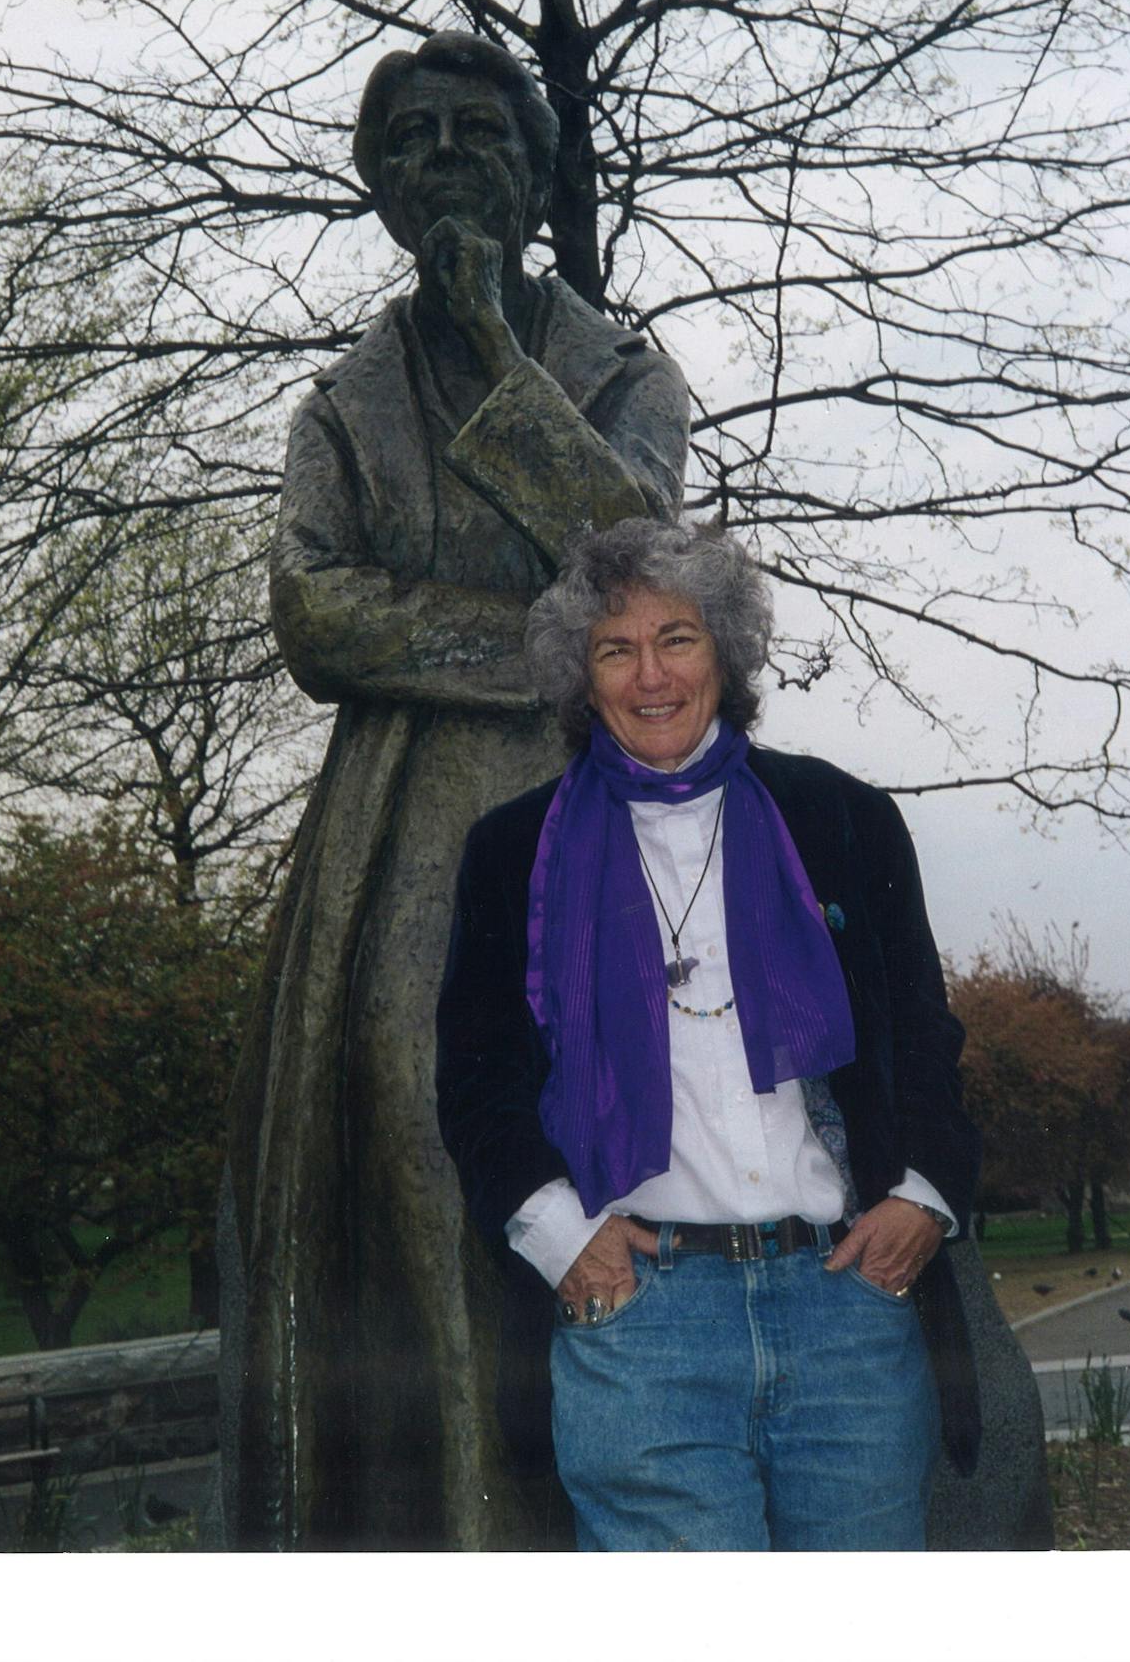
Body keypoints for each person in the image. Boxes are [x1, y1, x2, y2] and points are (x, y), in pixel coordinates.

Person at [222, 35, 688, 1550]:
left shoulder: (619, 369)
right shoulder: (342, 405)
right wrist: (546, 641)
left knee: (646, 1124)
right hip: (401, 824)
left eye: (479, 135)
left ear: (537, 173)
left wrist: (496, 355)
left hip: (603, 800)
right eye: (409, 140)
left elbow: (634, 558)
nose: (443, 163)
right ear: (374, 185)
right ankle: (462, 1525)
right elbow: (316, 614)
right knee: (420, 1147)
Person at [437, 517, 981, 1550]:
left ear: (721, 653)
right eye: (614, 648)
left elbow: (920, 1033)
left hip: (845, 1305)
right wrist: (564, 1240)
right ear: (579, 677)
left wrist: (920, 1199)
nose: (650, 674)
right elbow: (474, 1081)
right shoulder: (511, 852)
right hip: (641, 1323)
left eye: (675, 637)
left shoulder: (841, 817)